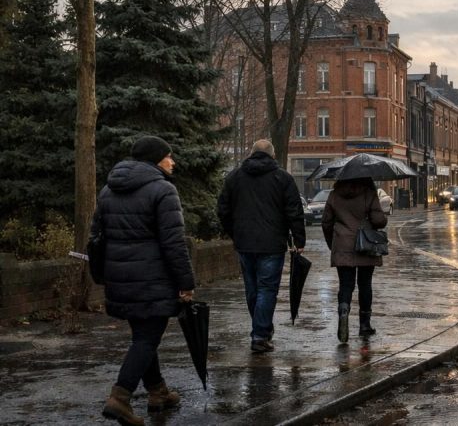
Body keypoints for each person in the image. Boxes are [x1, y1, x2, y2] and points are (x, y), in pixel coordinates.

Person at [91, 135, 195, 425]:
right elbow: (174, 243)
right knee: (147, 338)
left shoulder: (107, 190)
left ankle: (158, 391)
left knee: (143, 337)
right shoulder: (163, 190)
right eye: (168, 156)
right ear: (155, 160)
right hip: (153, 278)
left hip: (120, 278)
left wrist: (101, 275)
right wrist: (186, 282)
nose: (172, 161)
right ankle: (120, 398)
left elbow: (96, 237)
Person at [217, 139, 306, 353]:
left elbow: (223, 210)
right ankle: (260, 335)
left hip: (245, 243)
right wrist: (298, 240)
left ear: (251, 153)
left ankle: (261, 329)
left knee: (252, 289)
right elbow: (294, 210)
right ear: (272, 155)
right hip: (272, 244)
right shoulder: (282, 178)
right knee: (267, 289)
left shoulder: (234, 177)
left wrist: (234, 232)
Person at [322, 176, 388, 344]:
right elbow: (379, 221)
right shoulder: (369, 193)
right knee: (365, 284)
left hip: (342, 244)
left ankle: (343, 310)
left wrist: (333, 243)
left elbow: (326, 223)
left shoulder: (334, 195)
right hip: (365, 245)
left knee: (345, 285)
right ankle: (364, 324)